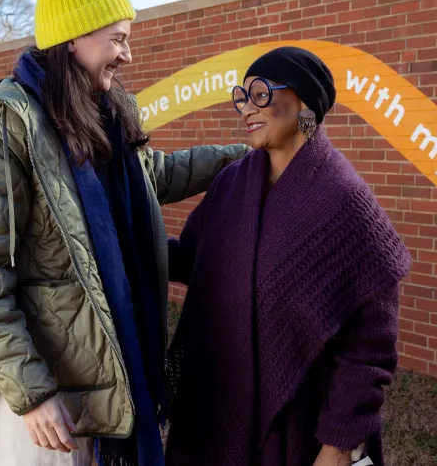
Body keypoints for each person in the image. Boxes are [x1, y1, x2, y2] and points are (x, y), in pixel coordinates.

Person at [0, 0, 250, 466]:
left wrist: (245, 157)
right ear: (73, 40)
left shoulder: (99, 117)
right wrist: (32, 392)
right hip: (44, 393)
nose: (127, 54)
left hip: (102, 375)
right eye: (117, 39)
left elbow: (156, 174)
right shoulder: (2, 134)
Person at [164, 46, 412, 466]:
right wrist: (123, 244)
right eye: (241, 97)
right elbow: (192, 260)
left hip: (296, 426)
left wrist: (337, 445)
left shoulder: (345, 200)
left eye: (260, 94)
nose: (247, 108)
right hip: (212, 406)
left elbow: (370, 344)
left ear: (304, 101)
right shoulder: (231, 183)